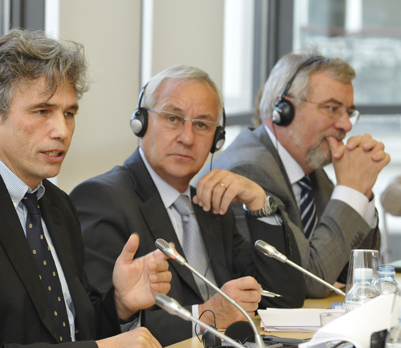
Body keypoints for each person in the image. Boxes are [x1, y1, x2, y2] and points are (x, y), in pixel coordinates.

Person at [0, 29, 172, 348]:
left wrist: (120, 305)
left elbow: (74, 331)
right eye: (42, 111)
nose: (62, 131)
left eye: (69, 113)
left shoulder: (57, 203)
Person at [70, 65, 306, 346]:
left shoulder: (209, 207)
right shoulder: (102, 199)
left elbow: (282, 298)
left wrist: (258, 202)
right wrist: (206, 315)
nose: (187, 137)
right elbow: (103, 323)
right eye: (173, 118)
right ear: (141, 122)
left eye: (202, 125)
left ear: (216, 140)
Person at [197, 51, 390, 298]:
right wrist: (351, 191)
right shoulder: (248, 170)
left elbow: (355, 274)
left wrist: (361, 191)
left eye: (348, 112)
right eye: (332, 108)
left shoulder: (312, 172)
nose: (346, 125)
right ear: (283, 109)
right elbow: (309, 280)